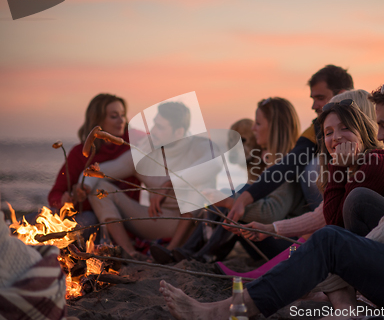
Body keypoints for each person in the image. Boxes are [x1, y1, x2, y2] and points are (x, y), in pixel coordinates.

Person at [159, 72, 384, 320]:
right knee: (333, 240)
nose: (380, 135)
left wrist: (307, 275)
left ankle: (225, 311)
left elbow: (365, 249)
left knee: (329, 243)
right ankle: (341, 307)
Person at [218, 89, 384, 279]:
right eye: (329, 131)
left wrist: (338, 165)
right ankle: (268, 273)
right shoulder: (359, 163)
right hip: (373, 252)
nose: (336, 137)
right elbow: (323, 216)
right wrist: (271, 229)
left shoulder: (376, 164)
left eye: (345, 126)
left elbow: (334, 225)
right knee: (311, 235)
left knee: (317, 236)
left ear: (361, 121)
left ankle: (272, 275)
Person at [156, 97, 310, 264]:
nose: (253, 128)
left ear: (273, 128)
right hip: (269, 242)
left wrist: (228, 202)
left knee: (239, 194)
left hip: (289, 248)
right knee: (234, 197)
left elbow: (270, 213)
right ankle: (192, 253)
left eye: (258, 124)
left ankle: (199, 256)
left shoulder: (287, 165)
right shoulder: (276, 162)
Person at [81, 101, 221, 260]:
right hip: (160, 221)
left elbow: (214, 164)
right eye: (154, 124)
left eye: (160, 127)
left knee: (198, 191)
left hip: (195, 226)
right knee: (99, 186)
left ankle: (171, 250)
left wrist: (170, 183)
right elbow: (105, 169)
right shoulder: (146, 149)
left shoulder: (201, 146)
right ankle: (129, 253)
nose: (152, 131)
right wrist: (84, 186)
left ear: (179, 132)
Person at [227, 65, 354, 224]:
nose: (313, 106)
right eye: (313, 99)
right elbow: (291, 161)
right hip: (325, 211)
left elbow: (287, 167)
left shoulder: (364, 125)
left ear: (342, 95)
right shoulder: (316, 129)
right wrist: (242, 199)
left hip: (351, 211)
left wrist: (236, 201)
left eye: (320, 98)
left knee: (313, 167)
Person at [47, 93, 140, 233]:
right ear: (98, 120)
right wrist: (65, 200)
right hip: (88, 215)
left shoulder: (133, 142)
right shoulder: (79, 153)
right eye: (114, 116)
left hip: (124, 219)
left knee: (87, 221)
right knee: (35, 220)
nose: (121, 120)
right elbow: (55, 194)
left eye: (123, 115)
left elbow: (162, 147)